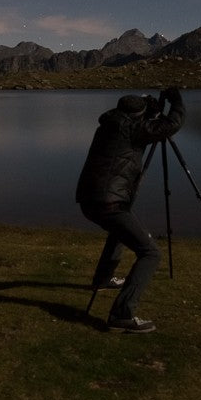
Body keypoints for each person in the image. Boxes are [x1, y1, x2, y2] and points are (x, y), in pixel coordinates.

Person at [76, 87, 185, 333]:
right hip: (110, 202)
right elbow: (173, 123)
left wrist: (148, 111)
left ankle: (103, 279)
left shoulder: (110, 124)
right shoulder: (136, 129)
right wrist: (176, 99)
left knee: (120, 231)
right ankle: (121, 315)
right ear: (139, 115)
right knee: (150, 253)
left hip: (89, 199)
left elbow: (140, 124)